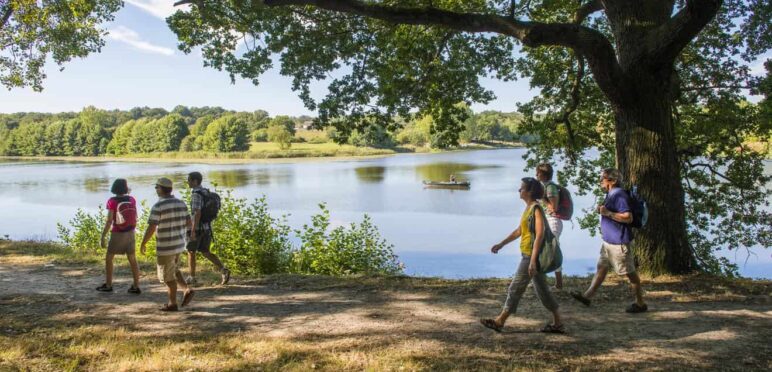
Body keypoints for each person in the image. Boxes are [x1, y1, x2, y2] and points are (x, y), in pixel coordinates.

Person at [480, 177, 564, 333]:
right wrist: (501, 244)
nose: (519, 190)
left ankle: (500, 321)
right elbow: (519, 231)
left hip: (531, 256)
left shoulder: (536, 209)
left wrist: (532, 261)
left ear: (530, 191)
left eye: (522, 188)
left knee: (515, 288)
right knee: (543, 291)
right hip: (529, 255)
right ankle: (558, 323)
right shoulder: (529, 208)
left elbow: (540, 234)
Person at [570, 168, 648, 313]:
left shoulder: (619, 195)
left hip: (619, 243)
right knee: (602, 267)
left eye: (602, 178)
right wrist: (602, 210)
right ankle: (587, 296)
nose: (600, 181)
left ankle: (640, 303)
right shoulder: (611, 194)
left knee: (629, 273)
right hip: (608, 242)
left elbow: (628, 217)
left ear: (612, 181)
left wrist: (608, 213)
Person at [140, 178, 194, 311]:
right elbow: (189, 223)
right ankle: (186, 289)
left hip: (165, 246)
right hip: (178, 245)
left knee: (166, 276)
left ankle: (172, 304)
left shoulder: (158, 206)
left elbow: (152, 227)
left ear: (161, 189)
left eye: (156, 187)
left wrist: (143, 243)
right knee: (173, 269)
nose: (156, 190)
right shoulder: (181, 203)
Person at [185, 172, 230, 285]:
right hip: (207, 227)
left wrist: (193, 231)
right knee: (205, 251)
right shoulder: (205, 191)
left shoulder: (196, 194)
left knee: (191, 252)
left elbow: (197, 213)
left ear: (195, 181)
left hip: (197, 228)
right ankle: (223, 270)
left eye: (189, 180)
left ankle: (192, 277)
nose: (188, 182)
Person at [97, 178, 141, 294]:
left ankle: (108, 284)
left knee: (109, 258)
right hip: (131, 232)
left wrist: (103, 236)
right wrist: (128, 191)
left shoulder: (112, 201)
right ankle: (136, 286)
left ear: (114, 188)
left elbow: (109, 221)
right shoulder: (132, 199)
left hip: (118, 232)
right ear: (126, 188)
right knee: (132, 258)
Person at [535, 163, 563, 290]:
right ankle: (541, 280)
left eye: (538, 172)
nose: (536, 174)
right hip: (547, 221)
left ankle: (559, 283)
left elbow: (553, 208)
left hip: (553, 221)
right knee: (543, 250)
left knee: (553, 251)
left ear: (544, 174)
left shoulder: (550, 187)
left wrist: (542, 198)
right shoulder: (544, 186)